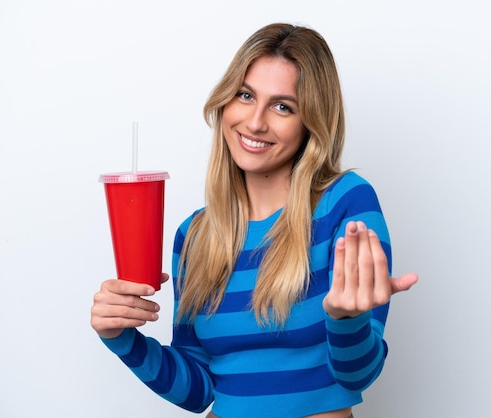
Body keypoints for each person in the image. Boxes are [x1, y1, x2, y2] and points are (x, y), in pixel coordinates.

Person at [91, 22, 418, 418]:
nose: (256, 122)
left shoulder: (345, 202)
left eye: (283, 106)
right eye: (246, 95)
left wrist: (346, 319)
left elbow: (358, 376)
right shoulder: (195, 235)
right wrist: (121, 336)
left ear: (311, 122)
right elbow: (198, 390)